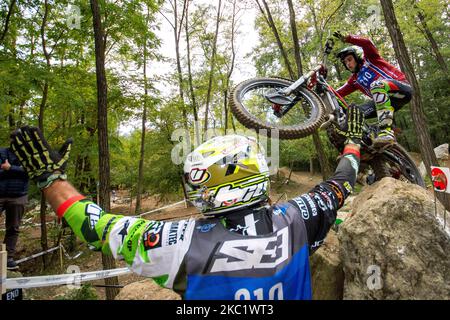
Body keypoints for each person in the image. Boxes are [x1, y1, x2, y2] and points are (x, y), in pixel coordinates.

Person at [9, 107, 364, 300]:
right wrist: (353, 143)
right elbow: (341, 182)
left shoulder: (179, 242)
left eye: (200, 182)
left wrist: (50, 178)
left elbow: (95, 227)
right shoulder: (298, 217)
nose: (197, 192)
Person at [333, 31, 412, 148]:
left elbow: (367, 43)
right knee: (351, 113)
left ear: (357, 56)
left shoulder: (371, 59)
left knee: (376, 85)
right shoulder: (354, 80)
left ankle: (386, 131)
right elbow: (336, 93)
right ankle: (363, 145)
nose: (348, 64)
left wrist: (348, 38)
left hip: (401, 89)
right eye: (345, 62)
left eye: (349, 59)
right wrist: (318, 87)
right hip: (386, 102)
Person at [0, 146, 29, 270]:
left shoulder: (28, 156)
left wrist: (10, 168)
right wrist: (18, 171)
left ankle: (8, 258)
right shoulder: (2, 153)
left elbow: (29, 172)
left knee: (13, 227)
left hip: (19, 196)